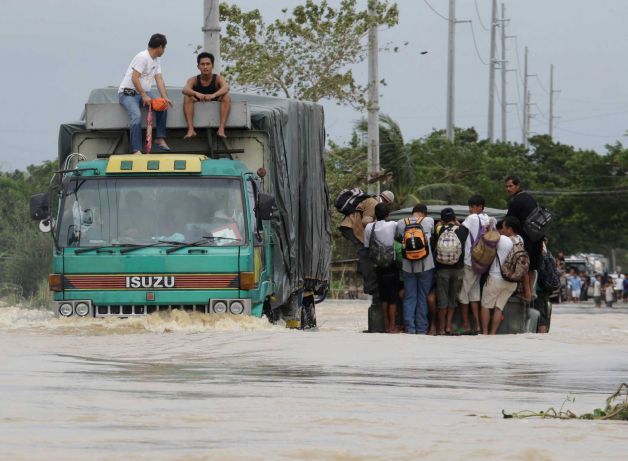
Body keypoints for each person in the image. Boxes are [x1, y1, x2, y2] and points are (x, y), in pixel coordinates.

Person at [118, 33, 172, 155]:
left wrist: (165, 97)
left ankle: (159, 138)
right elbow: (134, 78)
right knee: (136, 116)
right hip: (129, 93)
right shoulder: (142, 57)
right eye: (164, 48)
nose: (164, 50)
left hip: (144, 93)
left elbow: (159, 79)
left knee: (162, 105)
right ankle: (136, 149)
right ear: (160, 47)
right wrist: (143, 95)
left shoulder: (157, 59)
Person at [339, 190, 395, 295]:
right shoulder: (373, 203)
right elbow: (365, 221)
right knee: (364, 253)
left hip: (352, 227)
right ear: (388, 202)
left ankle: (365, 277)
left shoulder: (372, 201)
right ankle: (370, 286)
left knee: (365, 252)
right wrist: (380, 225)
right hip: (352, 227)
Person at [395, 203, 435, 334]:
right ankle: (422, 329)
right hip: (426, 266)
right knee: (422, 297)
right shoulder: (429, 221)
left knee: (410, 297)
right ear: (424, 213)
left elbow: (399, 238)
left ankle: (410, 328)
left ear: (413, 212)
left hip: (408, 267)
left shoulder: (401, 223)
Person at [480, 216, 523, 335]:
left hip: (496, 278)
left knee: (485, 305)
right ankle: (493, 333)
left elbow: (488, 240)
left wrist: (490, 227)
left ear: (509, 229)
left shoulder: (503, 239)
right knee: (499, 308)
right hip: (512, 281)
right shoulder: (520, 240)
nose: (502, 230)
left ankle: (484, 333)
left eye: (504, 227)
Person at [459, 194, 493, 334]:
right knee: (474, 294)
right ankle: (477, 326)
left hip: (469, 260)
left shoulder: (472, 218)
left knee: (463, 294)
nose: (470, 209)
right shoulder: (490, 220)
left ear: (479, 207)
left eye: (472, 207)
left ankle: (466, 325)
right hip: (482, 262)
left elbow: (461, 230)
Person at [364, 203, 401, 333]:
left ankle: (385, 325)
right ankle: (392, 326)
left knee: (384, 297)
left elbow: (367, 246)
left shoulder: (369, 227)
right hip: (391, 265)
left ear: (375, 214)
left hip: (378, 266)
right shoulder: (393, 225)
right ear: (387, 214)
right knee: (393, 298)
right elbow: (399, 237)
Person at [505, 175, 540, 301]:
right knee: (532, 266)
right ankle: (531, 291)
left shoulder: (516, 201)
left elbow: (508, 220)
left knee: (523, 265)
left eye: (511, 186)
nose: (508, 189)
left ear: (518, 186)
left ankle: (527, 293)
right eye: (507, 186)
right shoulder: (530, 198)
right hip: (537, 237)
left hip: (526, 238)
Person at [433, 207, 468, 335]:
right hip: (457, 270)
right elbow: (460, 227)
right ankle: (448, 326)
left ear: (442, 220)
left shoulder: (439, 229)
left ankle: (441, 329)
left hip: (442, 269)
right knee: (453, 299)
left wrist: (441, 224)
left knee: (442, 299)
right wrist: (457, 223)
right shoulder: (462, 230)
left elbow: (437, 227)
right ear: (454, 218)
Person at [182, 52, 231, 139]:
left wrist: (213, 95)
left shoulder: (218, 79)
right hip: (198, 104)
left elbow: (226, 87)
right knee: (187, 97)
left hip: (215, 103)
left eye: (208, 64)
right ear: (198, 66)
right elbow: (185, 90)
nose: (205, 67)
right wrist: (196, 93)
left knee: (226, 96)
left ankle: (221, 129)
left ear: (212, 66)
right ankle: (191, 130)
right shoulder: (194, 80)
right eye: (202, 64)